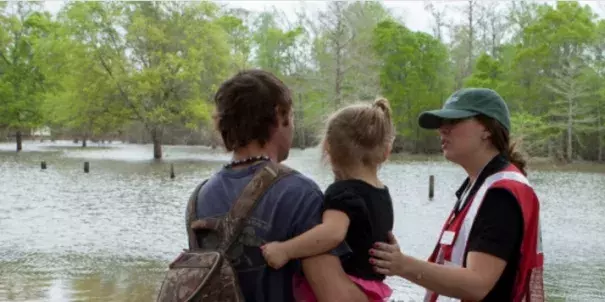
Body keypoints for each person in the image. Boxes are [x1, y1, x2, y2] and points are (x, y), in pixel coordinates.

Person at [195, 69, 368, 302]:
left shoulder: (199, 196)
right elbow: (336, 297)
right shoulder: (299, 194)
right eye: (292, 116)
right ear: (279, 115)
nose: (293, 127)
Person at [369, 88, 544, 301]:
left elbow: (477, 284)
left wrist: (402, 265)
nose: (442, 130)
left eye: (454, 122)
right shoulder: (479, 185)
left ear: (487, 129)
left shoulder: (501, 194)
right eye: (441, 124)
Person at [261, 98, 396, 302]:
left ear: (329, 151)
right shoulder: (382, 193)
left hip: (346, 283)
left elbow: (332, 233)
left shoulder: (342, 192)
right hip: (372, 288)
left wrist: (285, 250)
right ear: (386, 153)